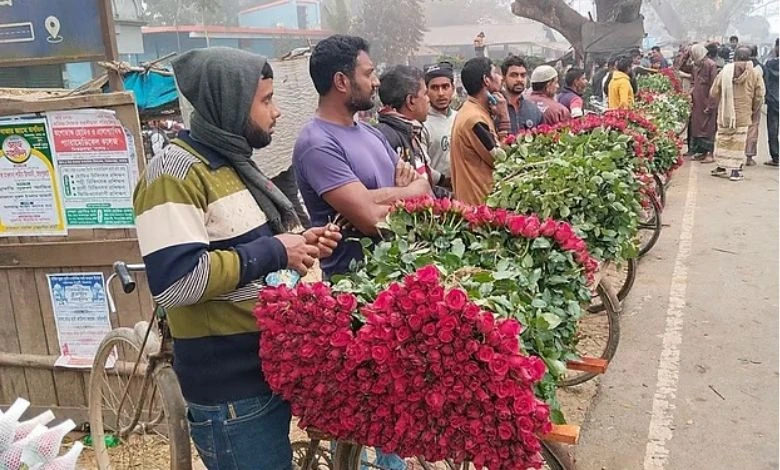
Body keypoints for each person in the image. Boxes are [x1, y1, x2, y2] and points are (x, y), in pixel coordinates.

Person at [135, 47, 342, 470]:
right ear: (229, 104)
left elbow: (240, 247)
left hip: (267, 368)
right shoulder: (174, 175)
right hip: (231, 392)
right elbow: (177, 282)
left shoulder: (232, 165)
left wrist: (298, 242)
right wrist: (275, 249)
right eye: (265, 101)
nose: (278, 112)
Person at [293, 36, 429, 469]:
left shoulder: (368, 133)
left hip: (396, 284)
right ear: (341, 80)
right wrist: (404, 190)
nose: (375, 82)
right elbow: (373, 218)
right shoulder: (317, 143)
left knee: (392, 412)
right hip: (358, 297)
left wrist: (400, 192)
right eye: (368, 74)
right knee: (372, 416)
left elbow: (418, 193)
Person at [376, 65, 450, 196]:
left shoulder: (409, 132)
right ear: (410, 101)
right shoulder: (387, 138)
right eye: (425, 94)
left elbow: (425, 182)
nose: (428, 100)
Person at [450, 56, 509, 205]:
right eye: (495, 73)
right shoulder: (475, 120)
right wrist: (504, 118)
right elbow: (501, 160)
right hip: (479, 206)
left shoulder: (473, 110)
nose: (501, 77)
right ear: (486, 80)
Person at [709, 46, 766, 181]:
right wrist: (754, 108)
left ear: (735, 57)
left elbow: (714, 92)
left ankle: (721, 167)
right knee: (738, 142)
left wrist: (722, 103)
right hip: (743, 113)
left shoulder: (725, 71)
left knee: (723, 139)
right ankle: (736, 171)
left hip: (725, 113)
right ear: (749, 58)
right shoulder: (754, 72)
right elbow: (760, 94)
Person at [680, 43, 719, 162]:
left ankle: (709, 154)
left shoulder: (710, 65)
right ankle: (700, 152)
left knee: (708, 128)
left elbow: (714, 86)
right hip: (697, 102)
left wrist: (711, 104)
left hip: (707, 102)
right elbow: (681, 67)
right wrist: (686, 54)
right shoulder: (696, 65)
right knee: (697, 128)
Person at [422, 61, 457, 184]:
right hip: (437, 195)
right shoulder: (422, 124)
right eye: (435, 88)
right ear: (426, 91)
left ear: (453, 88)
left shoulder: (460, 118)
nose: (441, 93)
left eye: (445, 87)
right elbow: (422, 166)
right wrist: (445, 181)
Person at [500, 54, 543, 133]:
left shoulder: (534, 110)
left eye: (523, 75)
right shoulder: (495, 109)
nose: (519, 79)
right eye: (514, 75)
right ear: (503, 78)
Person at [744, 44, 765, 166]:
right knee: (753, 129)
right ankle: (749, 156)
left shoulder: (736, 67)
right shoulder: (759, 67)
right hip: (754, 102)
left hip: (740, 102)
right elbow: (761, 89)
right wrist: (758, 103)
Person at [764, 38, 779, 166]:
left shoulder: (769, 64)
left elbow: (766, 82)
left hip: (773, 101)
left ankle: (776, 157)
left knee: (773, 130)